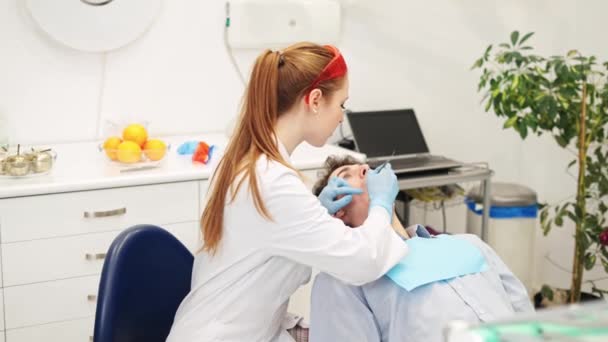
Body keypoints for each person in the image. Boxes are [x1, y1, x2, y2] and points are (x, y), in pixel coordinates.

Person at [166, 43, 409, 342]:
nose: (341, 117)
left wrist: (318, 213)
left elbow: (263, 262)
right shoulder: (271, 181)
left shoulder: (247, 160)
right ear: (316, 100)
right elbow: (363, 260)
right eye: (341, 105)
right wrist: (382, 205)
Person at [309, 155, 534, 342]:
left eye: (364, 166)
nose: (365, 168)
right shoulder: (344, 282)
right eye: (346, 175)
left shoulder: (469, 244)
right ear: (337, 211)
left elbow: (528, 319)